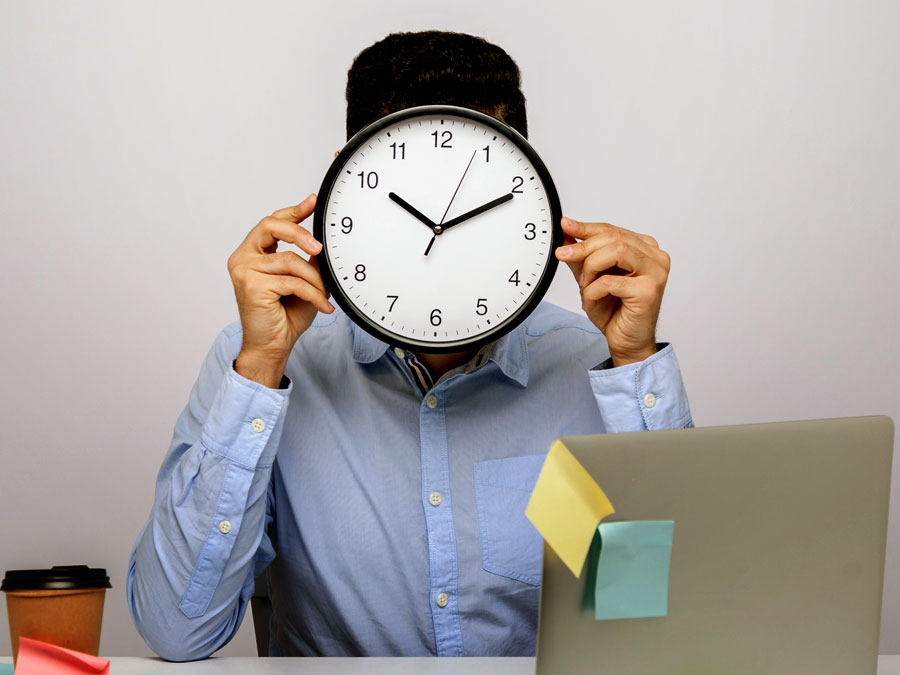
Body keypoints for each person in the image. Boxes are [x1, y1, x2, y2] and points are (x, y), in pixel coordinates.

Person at [127, 30, 692, 660]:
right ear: (349, 184)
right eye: (406, 203)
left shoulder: (596, 366)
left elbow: (654, 621)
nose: (439, 233)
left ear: (526, 184)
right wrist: (259, 369)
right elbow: (177, 634)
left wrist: (637, 369)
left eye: (480, 194)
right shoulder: (267, 362)